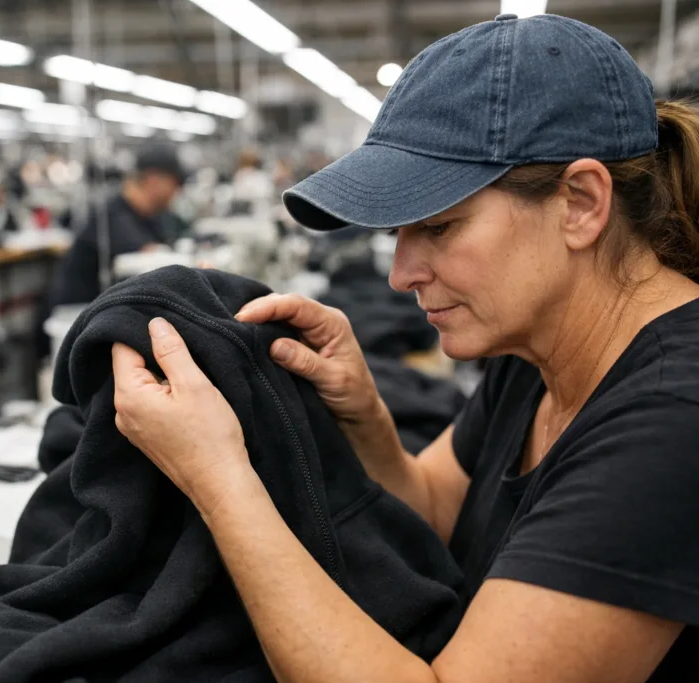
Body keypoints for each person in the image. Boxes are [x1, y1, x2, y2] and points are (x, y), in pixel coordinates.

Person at [110, 14, 699, 683]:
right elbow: (442, 511)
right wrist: (366, 417)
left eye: (439, 227)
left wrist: (218, 478)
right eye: (399, 234)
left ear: (582, 203)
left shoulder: (674, 418)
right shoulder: (541, 353)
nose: (400, 274)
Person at [47, 141, 187, 308]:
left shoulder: (150, 217)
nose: (177, 192)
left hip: (109, 310)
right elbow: (151, 259)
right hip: (75, 315)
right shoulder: (111, 218)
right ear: (154, 180)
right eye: (176, 184)